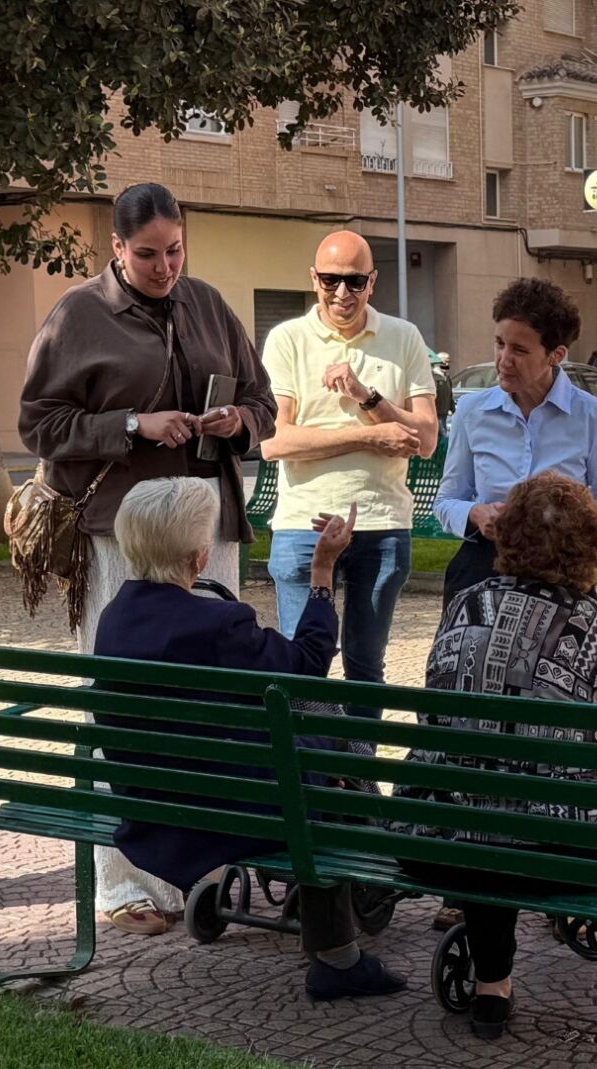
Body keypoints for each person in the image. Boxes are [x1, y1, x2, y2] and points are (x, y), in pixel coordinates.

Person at [20, 181, 275, 937]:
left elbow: (264, 403)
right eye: (147, 255)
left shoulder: (209, 304)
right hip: (119, 537)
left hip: (207, 532)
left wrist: (235, 421)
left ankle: (203, 867)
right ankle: (122, 880)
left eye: (175, 251)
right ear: (116, 248)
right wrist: (133, 424)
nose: (165, 267)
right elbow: (40, 424)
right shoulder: (77, 314)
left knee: (212, 701)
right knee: (122, 700)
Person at [92, 477, 407, 1001]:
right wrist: (322, 572)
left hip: (155, 810)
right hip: (229, 815)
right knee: (330, 772)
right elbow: (307, 667)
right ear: (198, 558)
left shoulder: (114, 618)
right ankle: (337, 957)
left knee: (309, 756)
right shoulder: (218, 622)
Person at [399, 473, 597, 1054]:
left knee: (485, 804)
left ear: (508, 537)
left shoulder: (463, 607)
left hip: (442, 845)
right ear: (592, 545)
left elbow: (436, 718)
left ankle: (491, 989)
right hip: (563, 857)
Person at [258, 231, 438, 718]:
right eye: (330, 280)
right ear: (313, 278)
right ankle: (308, 766)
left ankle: (358, 766)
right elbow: (274, 441)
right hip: (304, 525)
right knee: (302, 672)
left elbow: (425, 438)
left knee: (366, 671)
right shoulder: (287, 339)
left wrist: (367, 396)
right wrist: (368, 438)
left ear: (372, 282)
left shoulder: (404, 337)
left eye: (355, 281)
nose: (342, 292)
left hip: (381, 523)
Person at [433, 279, 597, 605]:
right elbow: (446, 502)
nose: (504, 359)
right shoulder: (472, 411)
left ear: (556, 355)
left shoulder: (593, 417)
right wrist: (476, 514)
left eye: (520, 350)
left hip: (563, 578)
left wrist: (565, 529)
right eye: (499, 343)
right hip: (481, 572)